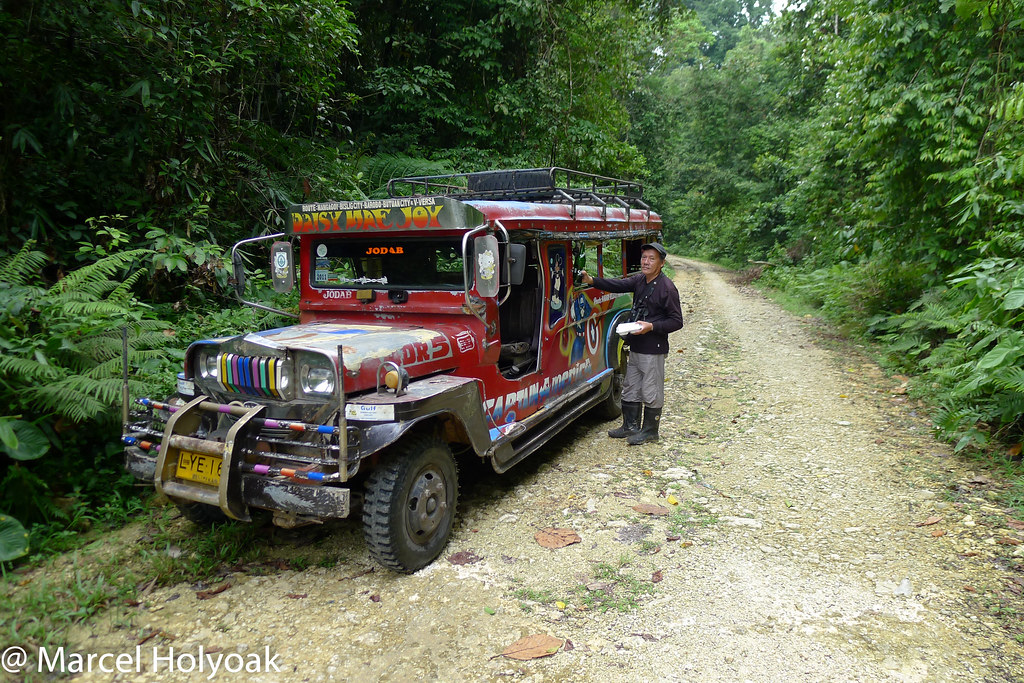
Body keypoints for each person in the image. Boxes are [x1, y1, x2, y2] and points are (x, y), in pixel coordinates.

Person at [580, 242, 683, 445]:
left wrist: (651, 326)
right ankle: (630, 426)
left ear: (661, 263)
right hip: (636, 345)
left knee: (651, 390)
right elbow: (617, 285)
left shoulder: (667, 288)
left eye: (651, 259)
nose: (646, 262)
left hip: (653, 348)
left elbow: (677, 321)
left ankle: (650, 431)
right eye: (644, 257)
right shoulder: (640, 280)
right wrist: (591, 280)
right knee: (631, 386)